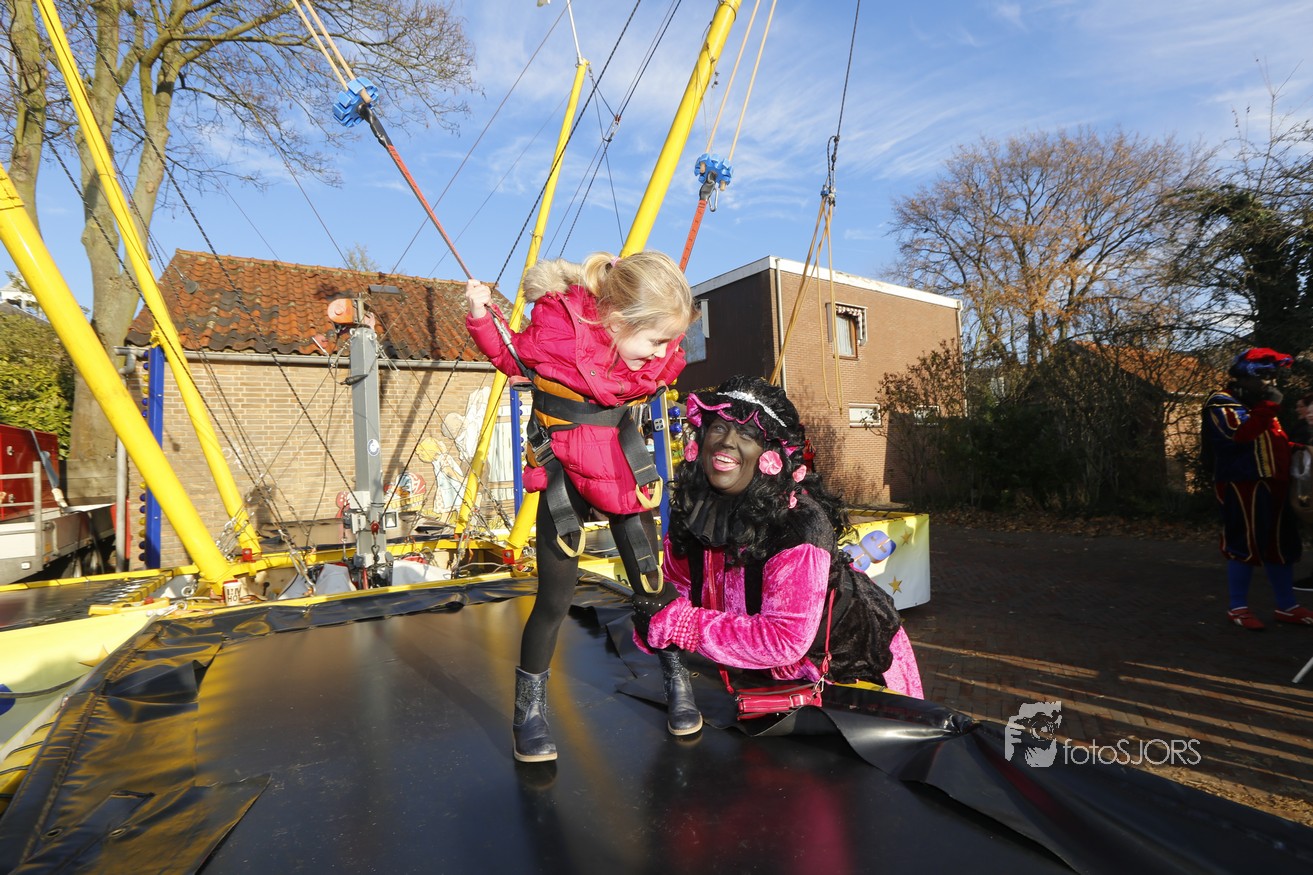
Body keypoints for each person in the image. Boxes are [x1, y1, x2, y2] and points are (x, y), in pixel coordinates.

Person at [466, 250, 697, 762]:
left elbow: (659, 363)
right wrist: (483, 315)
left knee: (650, 584)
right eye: (656, 340)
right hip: (564, 474)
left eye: (668, 341)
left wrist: (658, 349)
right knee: (554, 598)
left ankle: (678, 680)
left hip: (619, 467)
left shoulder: (646, 353)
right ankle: (528, 710)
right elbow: (511, 355)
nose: (663, 353)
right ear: (615, 321)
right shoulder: (557, 332)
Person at [631, 375, 923, 711]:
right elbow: (679, 590)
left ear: (770, 455)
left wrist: (681, 625)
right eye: (719, 428)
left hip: (842, 676)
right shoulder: (694, 508)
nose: (727, 442)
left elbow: (785, 639)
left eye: (747, 434)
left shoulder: (799, 526)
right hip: (748, 677)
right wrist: (656, 619)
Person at [1202, 348, 1313, 629]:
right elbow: (1238, 435)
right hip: (1243, 484)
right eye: (1264, 376)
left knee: (1281, 544)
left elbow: (1271, 442)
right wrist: (1269, 406)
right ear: (1244, 377)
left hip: (1275, 483)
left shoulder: (1262, 407)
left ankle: (1286, 605)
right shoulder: (1221, 402)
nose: (1271, 383)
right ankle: (1238, 607)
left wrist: (1299, 450)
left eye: (1273, 377)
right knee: (1244, 542)